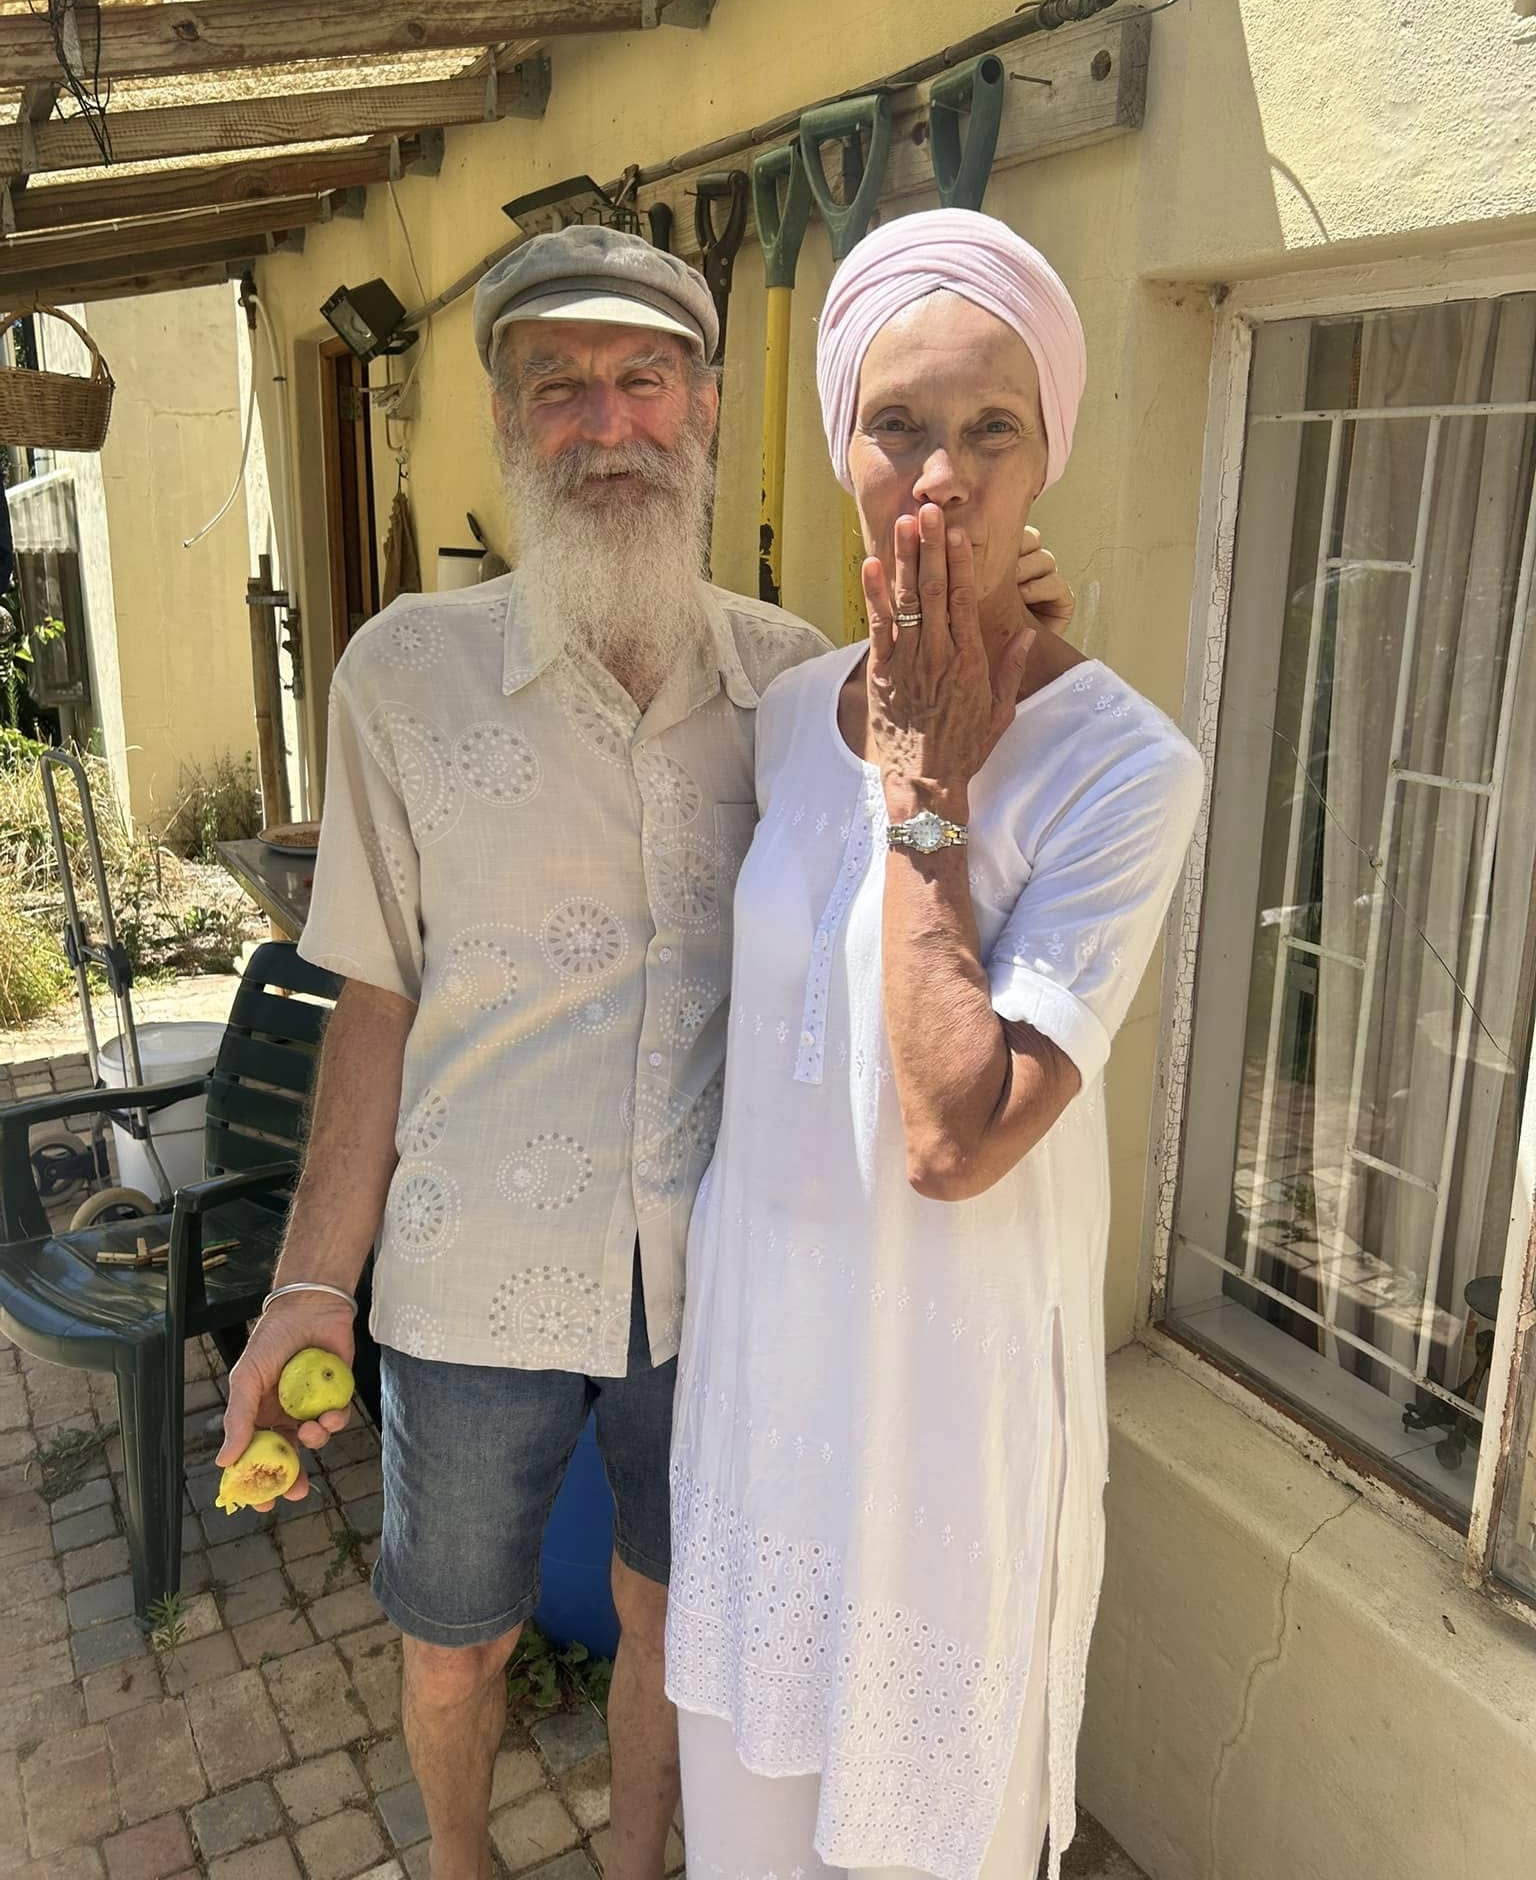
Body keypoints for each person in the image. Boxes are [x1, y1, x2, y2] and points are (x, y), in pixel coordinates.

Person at [213, 224, 1075, 1880]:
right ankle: (460, 1864)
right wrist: (311, 1283)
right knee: (454, 1644)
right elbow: (371, 1002)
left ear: (706, 406)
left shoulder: (795, 685)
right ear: (501, 415)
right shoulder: (403, 677)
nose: (605, 424)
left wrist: (1017, 618)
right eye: (558, 386)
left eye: (644, 380)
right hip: (467, 1283)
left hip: (719, 1283)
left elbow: (943, 822)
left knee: (675, 1628)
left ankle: (636, 1865)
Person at [664, 210, 1204, 1880]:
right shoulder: (783, 711)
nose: (941, 478)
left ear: (1048, 459)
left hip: (937, 1433)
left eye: (993, 430)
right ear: (842, 443)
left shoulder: (1125, 770)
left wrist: (926, 791)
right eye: (898, 423)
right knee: (747, 1833)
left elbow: (957, 1137)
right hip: (765, 1393)